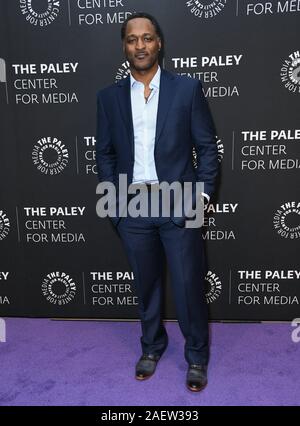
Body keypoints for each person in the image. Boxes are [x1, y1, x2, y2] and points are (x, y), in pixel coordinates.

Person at [96, 12, 219, 392]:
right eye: (132, 39)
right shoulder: (109, 97)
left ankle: (196, 355)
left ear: (158, 43)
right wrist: (115, 205)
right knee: (145, 286)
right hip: (132, 206)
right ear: (124, 46)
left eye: (147, 38)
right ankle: (151, 347)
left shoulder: (186, 89)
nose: (140, 45)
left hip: (178, 202)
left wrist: (199, 199)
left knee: (187, 286)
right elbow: (105, 155)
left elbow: (207, 150)